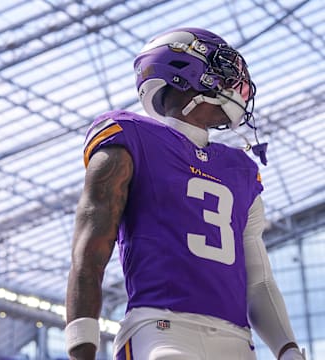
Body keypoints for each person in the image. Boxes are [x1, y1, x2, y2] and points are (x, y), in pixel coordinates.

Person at [65, 28, 305, 360]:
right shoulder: (131, 136)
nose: (237, 81)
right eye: (223, 67)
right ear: (183, 67)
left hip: (237, 340)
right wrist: (81, 344)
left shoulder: (241, 169)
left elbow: (258, 278)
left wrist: (287, 348)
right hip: (161, 330)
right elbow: (91, 249)